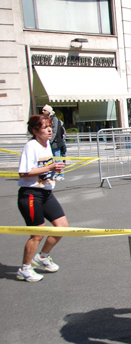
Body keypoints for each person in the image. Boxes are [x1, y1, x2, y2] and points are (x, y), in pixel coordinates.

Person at [16, 114, 68, 282]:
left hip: (46, 192)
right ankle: (25, 268)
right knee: (37, 234)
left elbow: (44, 169)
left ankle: (43, 257)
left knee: (62, 227)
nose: (49, 129)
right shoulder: (31, 146)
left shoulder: (47, 145)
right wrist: (50, 166)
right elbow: (24, 172)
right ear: (34, 130)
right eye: (45, 127)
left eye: (50, 126)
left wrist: (55, 169)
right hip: (30, 194)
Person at [41, 105, 66, 181]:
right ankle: (53, 174)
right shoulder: (48, 119)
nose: (42, 111)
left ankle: (61, 174)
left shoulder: (54, 119)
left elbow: (54, 132)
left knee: (58, 159)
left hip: (56, 143)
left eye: (44, 110)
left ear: (48, 111)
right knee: (52, 160)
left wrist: (49, 141)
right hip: (52, 143)